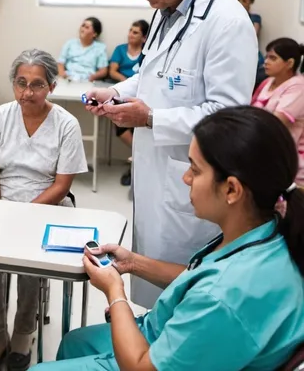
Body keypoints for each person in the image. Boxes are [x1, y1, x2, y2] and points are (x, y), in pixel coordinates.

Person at [33, 106, 304, 371]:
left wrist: (115, 292)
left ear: (232, 189)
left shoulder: (224, 297)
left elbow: (142, 367)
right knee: (74, 343)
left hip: (151, 358)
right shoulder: (264, 231)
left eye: (195, 170)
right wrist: (134, 264)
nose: (185, 178)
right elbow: (196, 276)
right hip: (170, 332)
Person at [85, 0, 258, 308]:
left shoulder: (226, 22)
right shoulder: (167, 11)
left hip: (188, 190)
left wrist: (149, 118)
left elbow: (227, 118)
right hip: (154, 178)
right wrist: (114, 92)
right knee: (152, 299)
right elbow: (154, 76)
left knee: (183, 304)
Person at [0, 49, 88, 371]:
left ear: (51, 86)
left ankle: (24, 332)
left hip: (47, 202)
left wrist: (24, 215)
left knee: (29, 260)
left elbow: (61, 185)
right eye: (21, 83)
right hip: (3, 202)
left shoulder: (66, 123)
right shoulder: (0, 116)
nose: (27, 92)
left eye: (37, 85)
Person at [252, 38, 304, 186]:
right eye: (267, 56)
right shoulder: (267, 83)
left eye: (273, 58)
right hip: (265, 156)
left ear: (289, 63)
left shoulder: (298, 88)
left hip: (290, 166)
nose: (266, 61)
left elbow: (275, 123)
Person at [109, 20, 149, 186]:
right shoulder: (120, 49)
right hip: (123, 91)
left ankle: (138, 161)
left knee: (141, 122)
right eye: (130, 31)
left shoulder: (147, 52)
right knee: (120, 122)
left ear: (144, 37)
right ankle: (139, 154)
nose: (130, 34)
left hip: (143, 94)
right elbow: (112, 71)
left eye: (135, 32)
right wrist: (126, 84)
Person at [57, 17, 108, 82]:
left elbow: (103, 71)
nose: (82, 29)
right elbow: (60, 63)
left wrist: (92, 77)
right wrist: (63, 75)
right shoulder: (70, 43)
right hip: (68, 77)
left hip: (87, 79)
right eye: (82, 26)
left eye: (87, 27)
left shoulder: (100, 48)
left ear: (94, 34)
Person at [236, 0, 266, 89]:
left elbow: (252, 35)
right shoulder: (230, 16)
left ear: (251, 2)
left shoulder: (255, 18)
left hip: (251, 56)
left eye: (244, 0)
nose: (239, 3)